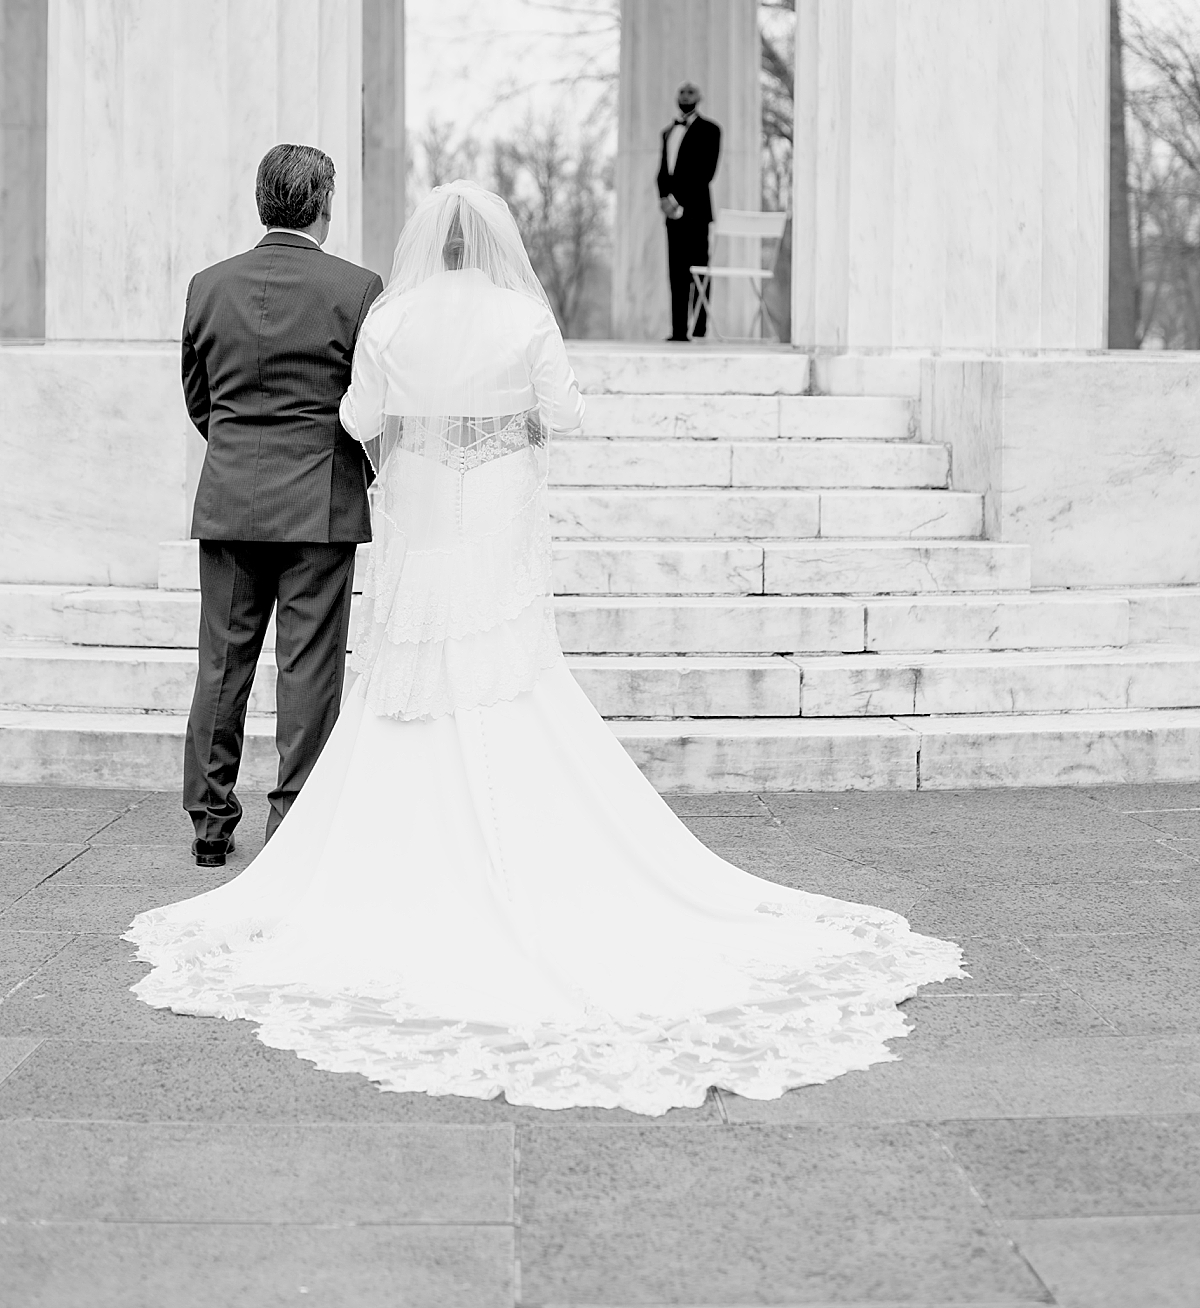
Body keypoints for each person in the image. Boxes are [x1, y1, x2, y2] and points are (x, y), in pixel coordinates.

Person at [125, 181, 960, 1116]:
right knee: (490, 676)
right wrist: (499, 424)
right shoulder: (522, 315)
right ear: (494, 245)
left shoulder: (389, 317)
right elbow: (564, 415)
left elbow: (359, 420)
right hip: (495, 522)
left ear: (424, 248)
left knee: (335, 667)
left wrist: (423, 427)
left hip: (403, 519)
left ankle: (258, 825)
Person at [180, 144, 383, 866]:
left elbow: (199, 400)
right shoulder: (357, 289)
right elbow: (368, 407)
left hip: (231, 500)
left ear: (262, 201)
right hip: (320, 507)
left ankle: (209, 825)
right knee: (309, 673)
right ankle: (293, 826)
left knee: (221, 667)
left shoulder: (208, 286)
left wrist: (240, 453)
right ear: (325, 203)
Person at [657, 82, 721, 341]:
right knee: (676, 272)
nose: (685, 96)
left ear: (700, 97)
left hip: (696, 211)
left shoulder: (711, 130)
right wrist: (664, 199)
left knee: (699, 270)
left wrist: (677, 199)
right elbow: (663, 171)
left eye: (690, 92)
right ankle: (679, 331)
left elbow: (705, 172)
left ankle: (700, 328)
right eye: (681, 92)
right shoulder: (667, 132)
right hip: (671, 214)